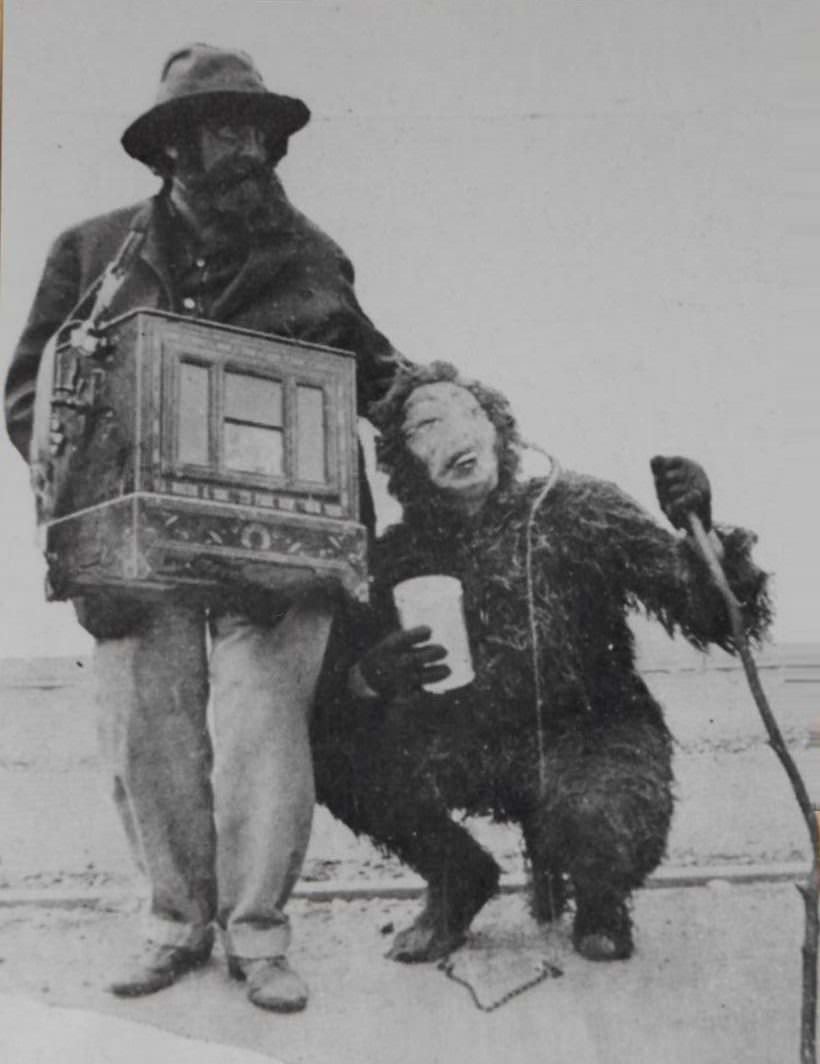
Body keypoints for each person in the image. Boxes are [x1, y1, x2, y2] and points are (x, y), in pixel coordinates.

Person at [4, 44, 402, 1011]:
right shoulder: (93, 252)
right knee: (146, 734)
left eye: (255, 130)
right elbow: (28, 394)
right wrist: (100, 489)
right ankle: (174, 923)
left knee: (266, 737)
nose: (243, 147)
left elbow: (379, 372)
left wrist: (445, 413)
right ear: (171, 148)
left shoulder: (312, 255)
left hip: (283, 552)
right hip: (134, 553)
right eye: (219, 127)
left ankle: (259, 933)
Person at [312, 363, 771, 963]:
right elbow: (339, 689)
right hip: (472, 739)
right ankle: (457, 876)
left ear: (501, 430)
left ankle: (601, 901)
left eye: (470, 414)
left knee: (602, 819)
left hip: (594, 731)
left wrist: (701, 526)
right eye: (427, 425)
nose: (457, 432)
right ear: (403, 462)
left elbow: (714, 619)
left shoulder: (579, 509)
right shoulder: (398, 554)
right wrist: (374, 675)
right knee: (330, 757)